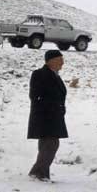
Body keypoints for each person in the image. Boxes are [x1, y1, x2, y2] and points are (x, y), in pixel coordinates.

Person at [27, 50, 68, 180]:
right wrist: (51, 106)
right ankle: (38, 172)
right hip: (45, 116)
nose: (62, 63)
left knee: (46, 145)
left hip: (54, 115)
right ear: (51, 60)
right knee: (51, 144)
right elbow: (35, 95)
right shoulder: (39, 74)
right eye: (60, 59)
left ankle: (41, 173)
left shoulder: (55, 75)